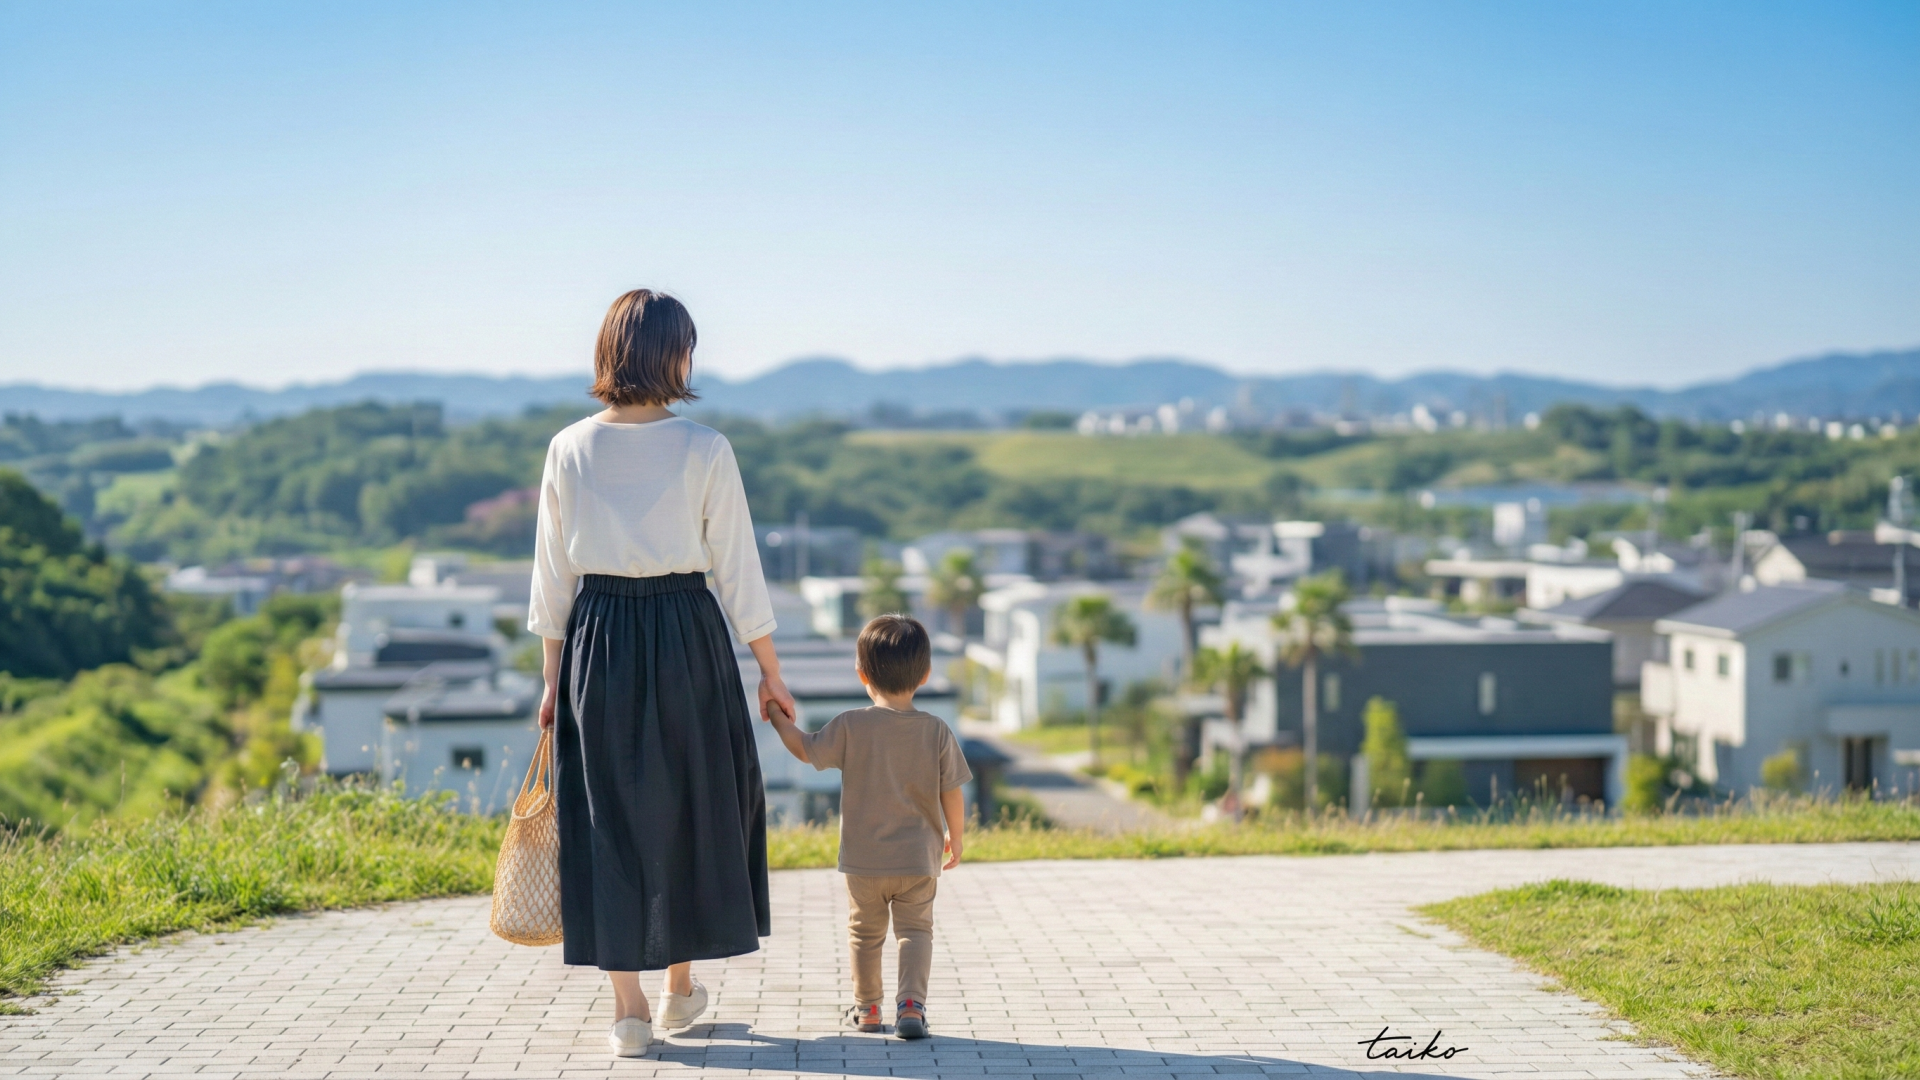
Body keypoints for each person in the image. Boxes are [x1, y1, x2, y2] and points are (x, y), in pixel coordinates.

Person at [528, 288, 795, 1059]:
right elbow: (739, 568)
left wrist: (551, 680)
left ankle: (631, 1013)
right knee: (691, 803)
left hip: (597, 637)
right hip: (687, 631)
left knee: (607, 816)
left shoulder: (569, 447)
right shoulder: (704, 446)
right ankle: (679, 989)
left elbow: (551, 580)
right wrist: (770, 671)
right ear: (674, 355)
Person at [762, 614, 971, 1040]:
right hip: (918, 859)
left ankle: (869, 1009)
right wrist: (957, 838)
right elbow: (952, 791)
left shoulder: (850, 725)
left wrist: (775, 713)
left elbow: (804, 749)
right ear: (926, 674)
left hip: (863, 862)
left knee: (865, 933)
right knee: (915, 932)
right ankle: (911, 1007)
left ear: (861, 674)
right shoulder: (936, 730)